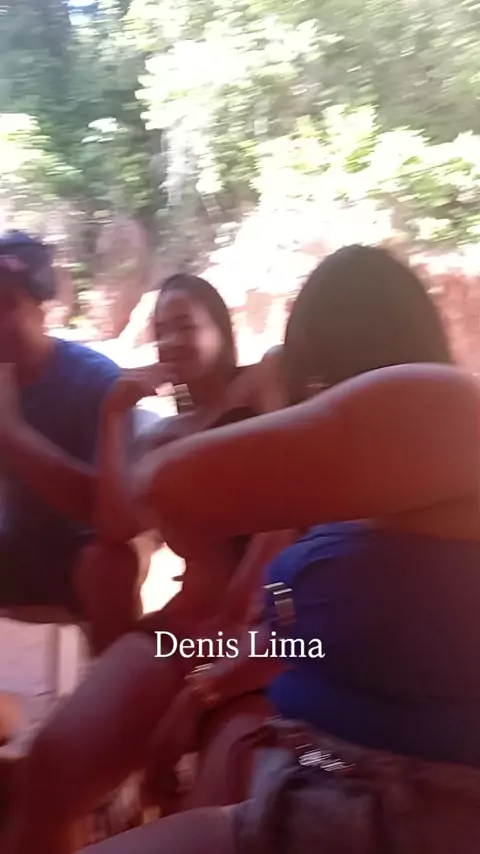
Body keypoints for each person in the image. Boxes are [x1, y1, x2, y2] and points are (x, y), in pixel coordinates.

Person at [6, 246, 480, 854]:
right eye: (162, 328)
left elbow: (274, 596)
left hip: (282, 677)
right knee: (56, 760)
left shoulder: (395, 422)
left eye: (186, 323)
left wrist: (211, 682)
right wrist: (115, 413)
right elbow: (124, 520)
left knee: (227, 767)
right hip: (206, 639)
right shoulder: (185, 429)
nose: (172, 340)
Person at [0, 230, 134, 647]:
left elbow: (106, 508)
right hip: (10, 547)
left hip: (80, 549)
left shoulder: (96, 380)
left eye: (6, 305)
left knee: (108, 563)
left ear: (41, 307)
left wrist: (13, 435)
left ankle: (112, 679)